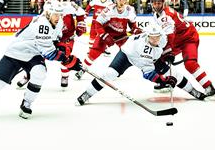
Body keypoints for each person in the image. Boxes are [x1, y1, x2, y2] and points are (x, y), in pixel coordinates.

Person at [0, 0, 83, 120]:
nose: (59, 17)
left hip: (33, 54)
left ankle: (26, 104)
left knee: (40, 73)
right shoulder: (42, 24)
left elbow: (55, 42)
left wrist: (64, 48)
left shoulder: (59, 22)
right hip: (16, 52)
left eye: (60, 14)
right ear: (47, 13)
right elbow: (49, 53)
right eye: (56, 14)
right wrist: (69, 61)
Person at [76, 24, 206, 106]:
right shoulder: (144, 48)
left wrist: (168, 54)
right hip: (127, 55)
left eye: (157, 37)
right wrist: (163, 80)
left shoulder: (161, 40)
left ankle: (193, 91)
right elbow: (147, 73)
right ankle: (87, 94)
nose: (155, 40)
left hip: (147, 58)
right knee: (109, 74)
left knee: (174, 73)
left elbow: (164, 46)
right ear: (147, 37)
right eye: (152, 37)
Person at [150, 0, 215, 100]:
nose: (157, 5)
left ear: (163, 3)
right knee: (158, 59)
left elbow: (170, 35)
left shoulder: (166, 15)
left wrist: (169, 51)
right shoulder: (156, 15)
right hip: (178, 39)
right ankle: (166, 82)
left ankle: (210, 88)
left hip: (188, 38)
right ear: (151, 4)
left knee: (190, 64)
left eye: (159, 3)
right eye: (155, 3)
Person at [82, 0, 138, 68]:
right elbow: (98, 23)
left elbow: (132, 24)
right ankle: (83, 67)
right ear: (116, 0)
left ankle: (118, 68)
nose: (122, 1)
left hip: (121, 35)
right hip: (107, 33)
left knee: (128, 51)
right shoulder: (109, 9)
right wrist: (104, 35)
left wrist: (135, 30)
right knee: (94, 52)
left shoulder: (130, 10)